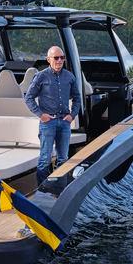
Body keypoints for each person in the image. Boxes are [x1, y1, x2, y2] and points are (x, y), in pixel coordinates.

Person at [23, 45, 81, 186]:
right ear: (48, 59)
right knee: (44, 159)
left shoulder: (69, 77)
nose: (60, 60)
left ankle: (59, 188)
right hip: (48, 123)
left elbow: (77, 98)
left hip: (64, 123)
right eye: (56, 58)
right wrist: (41, 115)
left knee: (63, 159)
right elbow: (28, 98)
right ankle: (42, 191)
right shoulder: (41, 76)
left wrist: (72, 115)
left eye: (62, 57)